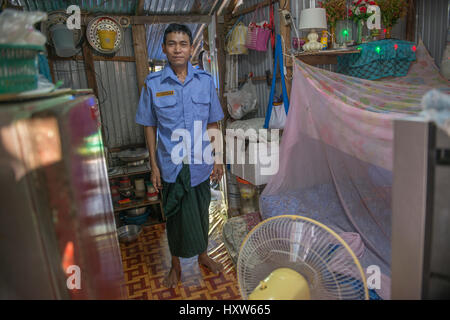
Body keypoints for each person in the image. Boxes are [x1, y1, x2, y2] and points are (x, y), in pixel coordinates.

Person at [135, 23, 225, 288]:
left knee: (200, 212)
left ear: (191, 48)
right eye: (172, 44)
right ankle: (175, 266)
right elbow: (149, 126)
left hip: (199, 163)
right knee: (173, 217)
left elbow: (213, 123)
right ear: (164, 49)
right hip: (171, 166)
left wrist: (218, 158)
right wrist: (154, 165)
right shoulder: (153, 84)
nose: (177, 49)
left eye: (183, 44)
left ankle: (203, 255)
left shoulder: (205, 82)